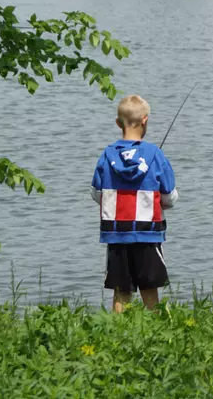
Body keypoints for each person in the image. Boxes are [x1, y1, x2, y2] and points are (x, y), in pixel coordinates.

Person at [91, 95, 178, 312]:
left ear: (118, 123)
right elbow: (169, 197)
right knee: (150, 289)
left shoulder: (106, 156)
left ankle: (117, 335)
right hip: (148, 233)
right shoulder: (155, 155)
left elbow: (96, 194)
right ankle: (156, 332)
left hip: (117, 234)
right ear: (145, 121)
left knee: (121, 291)